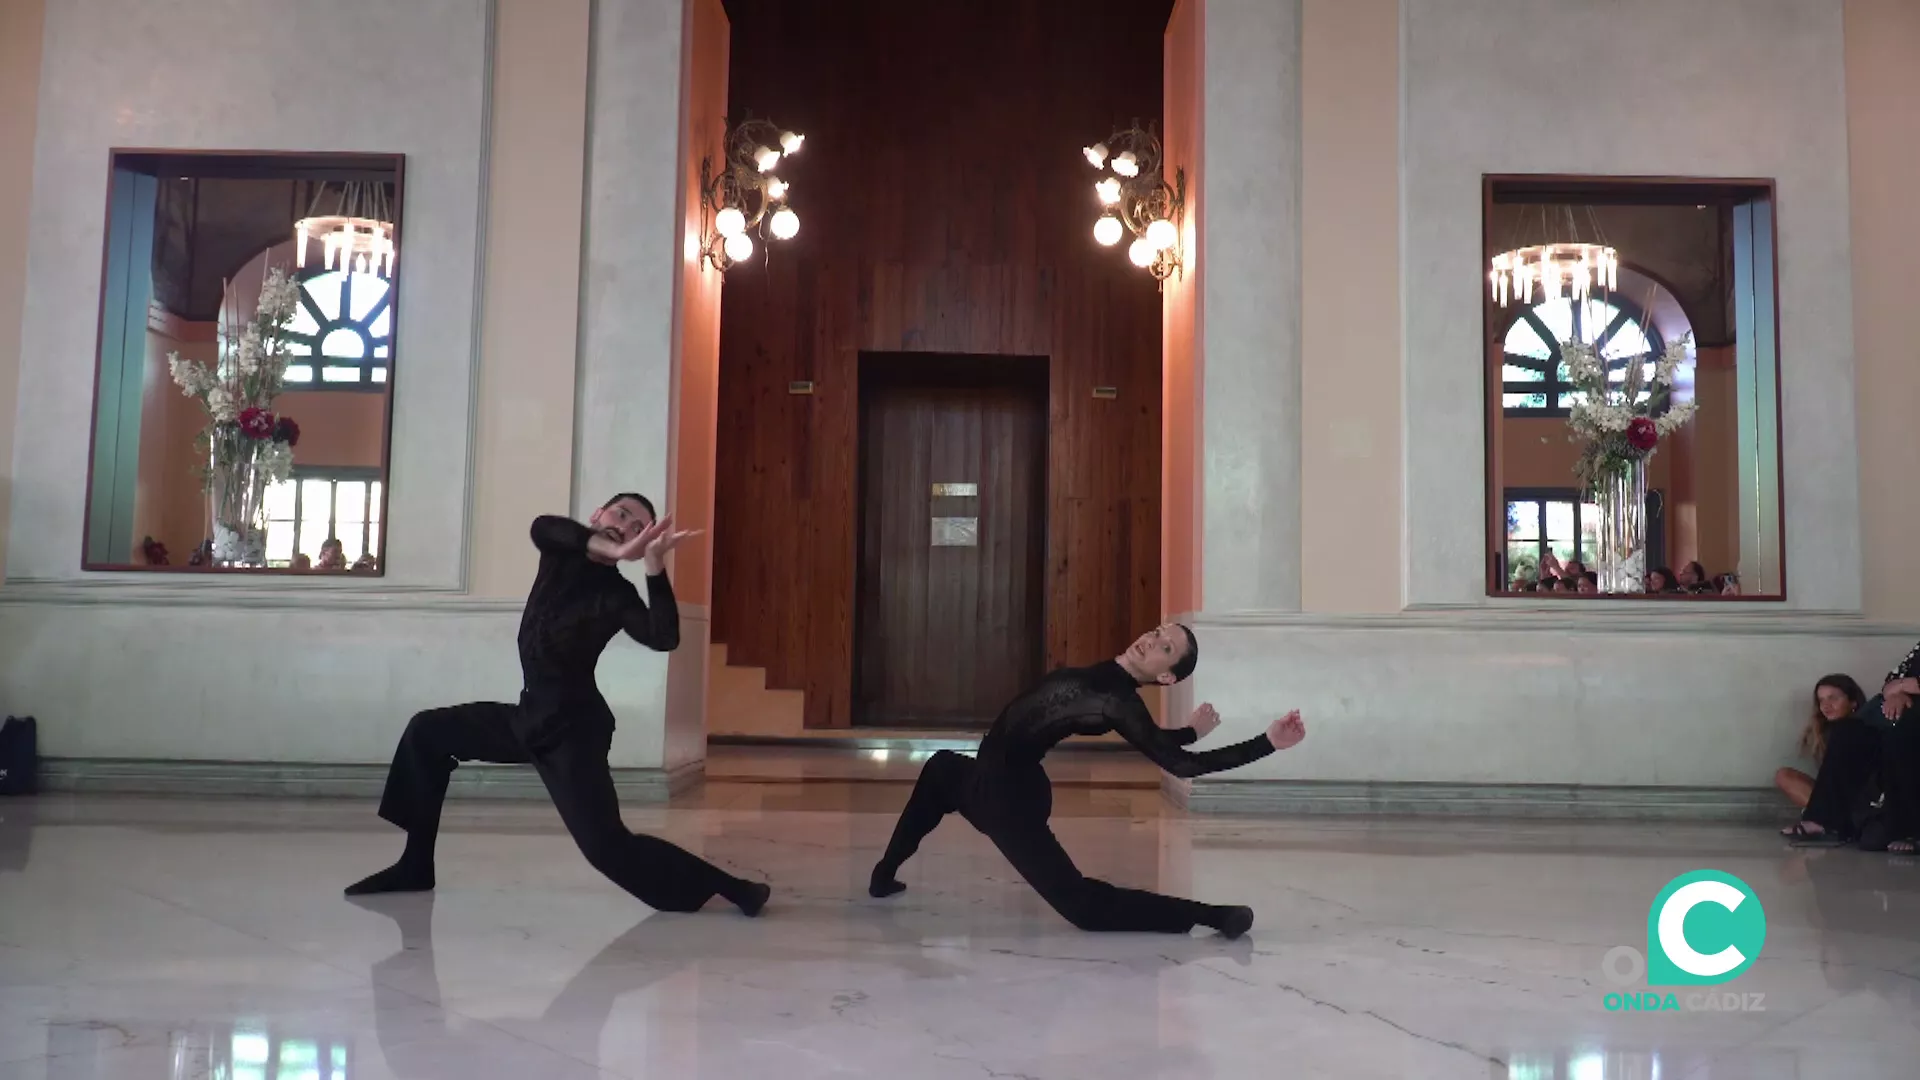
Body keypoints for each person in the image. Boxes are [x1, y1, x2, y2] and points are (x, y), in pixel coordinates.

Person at [345, 493, 770, 916]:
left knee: (607, 847)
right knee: (427, 732)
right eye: (621, 514)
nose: (624, 526)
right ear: (597, 514)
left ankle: (731, 887)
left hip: (574, 731)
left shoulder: (616, 594)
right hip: (527, 717)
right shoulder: (558, 550)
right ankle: (415, 866)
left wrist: (653, 567)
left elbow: (664, 637)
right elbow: (544, 525)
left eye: (637, 528)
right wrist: (619, 548)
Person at [867, 623, 1305, 937]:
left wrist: (1266, 742)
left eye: (1165, 648)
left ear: (1166, 676)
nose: (1152, 640)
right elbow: (1148, 737)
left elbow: (1181, 765)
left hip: (1008, 802)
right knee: (941, 769)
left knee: (1084, 908)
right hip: (990, 779)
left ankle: (1214, 915)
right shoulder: (1109, 683)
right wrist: (1189, 731)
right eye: (1157, 633)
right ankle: (884, 874)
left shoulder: (1117, 700)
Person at [1777, 674, 1872, 843]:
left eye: (1833, 698)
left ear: (1853, 702)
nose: (1826, 706)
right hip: (1835, 801)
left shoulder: (1863, 728)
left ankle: (1822, 821)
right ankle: (1824, 819)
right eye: (1821, 700)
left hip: (1862, 799)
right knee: (1784, 775)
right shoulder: (1826, 730)